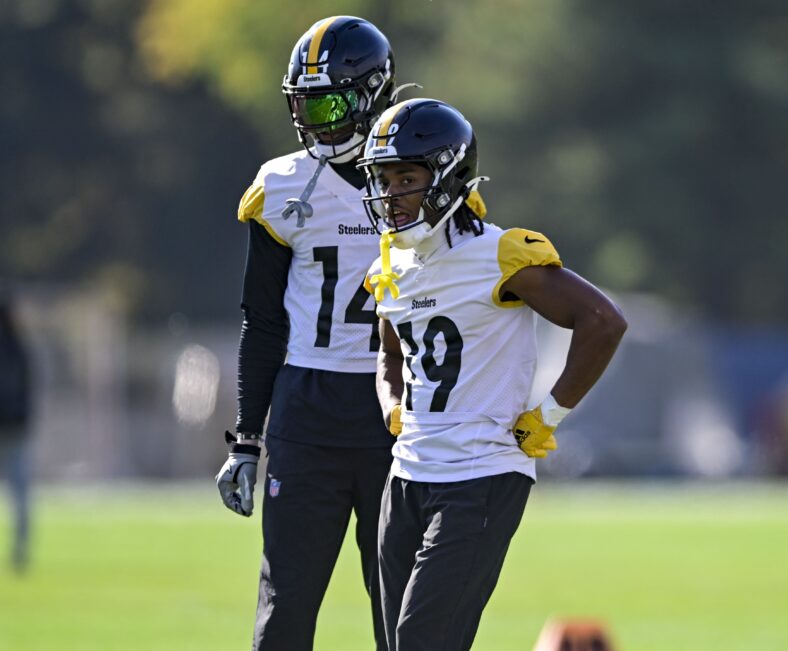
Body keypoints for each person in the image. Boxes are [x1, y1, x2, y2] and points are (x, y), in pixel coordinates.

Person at [359, 98, 628, 651]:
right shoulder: (389, 264)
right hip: (407, 476)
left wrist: (549, 414)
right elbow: (389, 354)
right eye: (383, 178)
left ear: (447, 174)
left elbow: (602, 321)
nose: (391, 193)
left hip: (479, 475)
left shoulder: (499, 253)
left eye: (406, 176)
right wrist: (392, 403)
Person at [215, 16, 408, 651]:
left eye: (328, 103)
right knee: (287, 602)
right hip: (307, 408)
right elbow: (263, 320)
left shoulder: (417, 180)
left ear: (371, 93)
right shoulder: (282, 185)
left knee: (402, 608)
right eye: (305, 104)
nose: (316, 121)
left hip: (396, 412)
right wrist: (247, 438)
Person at [0, 293, 32, 573]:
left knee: (20, 493)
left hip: (15, 428)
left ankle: (21, 548)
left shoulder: (18, 350)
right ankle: (21, 548)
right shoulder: (20, 348)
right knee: (20, 494)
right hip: (17, 428)